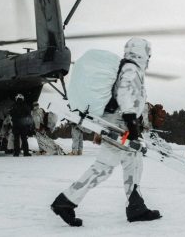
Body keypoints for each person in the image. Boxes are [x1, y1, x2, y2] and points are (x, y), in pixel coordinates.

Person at [51, 38, 161, 227]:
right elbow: (126, 94)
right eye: (148, 54)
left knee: (133, 162)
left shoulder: (126, 66)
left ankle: (136, 206)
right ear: (142, 53)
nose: (149, 59)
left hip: (118, 122)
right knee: (103, 167)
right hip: (121, 124)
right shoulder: (131, 69)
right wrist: (131, 122)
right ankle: (66, 201)